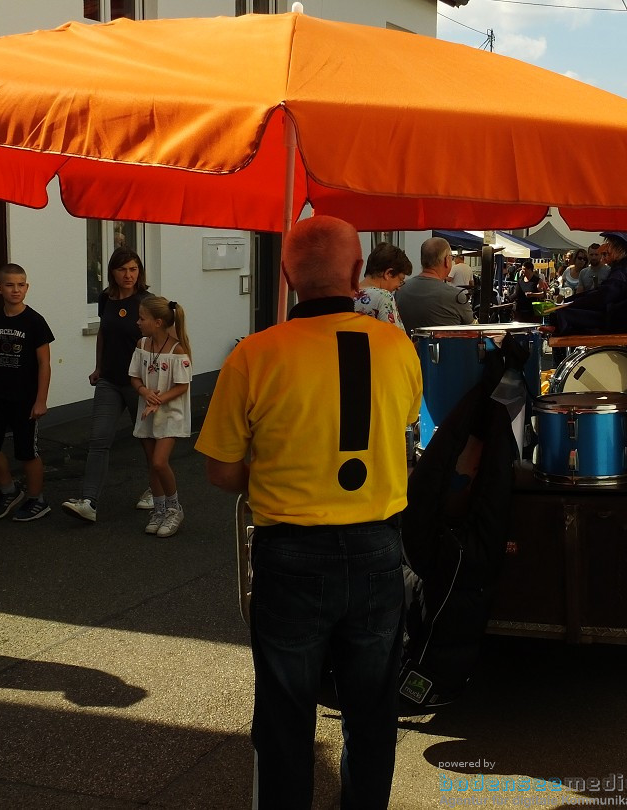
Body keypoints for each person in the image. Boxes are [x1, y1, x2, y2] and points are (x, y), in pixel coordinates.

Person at [195, 215, 422, 810]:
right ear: (356, 274)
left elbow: (221, 471)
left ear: (288, 275)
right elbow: (399, 436)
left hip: (290, 551)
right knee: (372, 711)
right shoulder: (398, 347)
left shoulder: (252, 355)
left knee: (286, 714)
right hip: (377, 546)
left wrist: (270, 471)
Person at [62, 247, 153, 523]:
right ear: (112, 272)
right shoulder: (106, 298)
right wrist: (98, 367)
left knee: (149, 440)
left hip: (140, 383)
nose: (129, 275)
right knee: (98, 441)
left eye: (134, 269)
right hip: (110, 381)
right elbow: (103, 332)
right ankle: (89, 501)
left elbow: (162, 340)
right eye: (123, 269)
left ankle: (157, 490)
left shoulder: (148, 301)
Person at [0, 263, 55, 522]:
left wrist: (41, 400)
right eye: (9, 285)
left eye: (20, 285)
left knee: (27, 452)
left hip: (26, 398)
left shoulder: (35, 322)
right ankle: (9, 490)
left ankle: (37, 499)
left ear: (26, 288)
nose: (15, 290)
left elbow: (44, 364)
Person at [129, 296, 192, 537]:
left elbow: (182, 386)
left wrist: (157, 400)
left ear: (157, 322)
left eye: (141, 318)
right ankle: (159, 510)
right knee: (151, 465)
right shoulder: (142, 345)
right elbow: (134, 377)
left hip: (170, 415)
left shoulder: (178, 350)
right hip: (146, 413)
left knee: (159, 462)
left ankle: (174, 509)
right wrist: (144, 391)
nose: (137, 322)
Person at [548, 231, 627, 336]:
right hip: (626, 317)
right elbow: (602, 293)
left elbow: (603, 297)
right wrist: (571, 300)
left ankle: (559, 345)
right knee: (566, 310)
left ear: (619, 248)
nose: (607, 249)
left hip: (618, 320)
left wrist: (573, 303)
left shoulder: (623, 270)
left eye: (610, 245)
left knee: (563, 315)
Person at [395, 237, 474, 334]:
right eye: (451, 257)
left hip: (407, 347)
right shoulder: (456, 297)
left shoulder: (400, 289)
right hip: (447, 349)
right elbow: (473, 331)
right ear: (446, 260)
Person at [354, 242, 413, 331]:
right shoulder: (383, 297)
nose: (399, 287)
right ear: (388, 273)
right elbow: (396, 340)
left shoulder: (348, 294)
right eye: (400, 280)